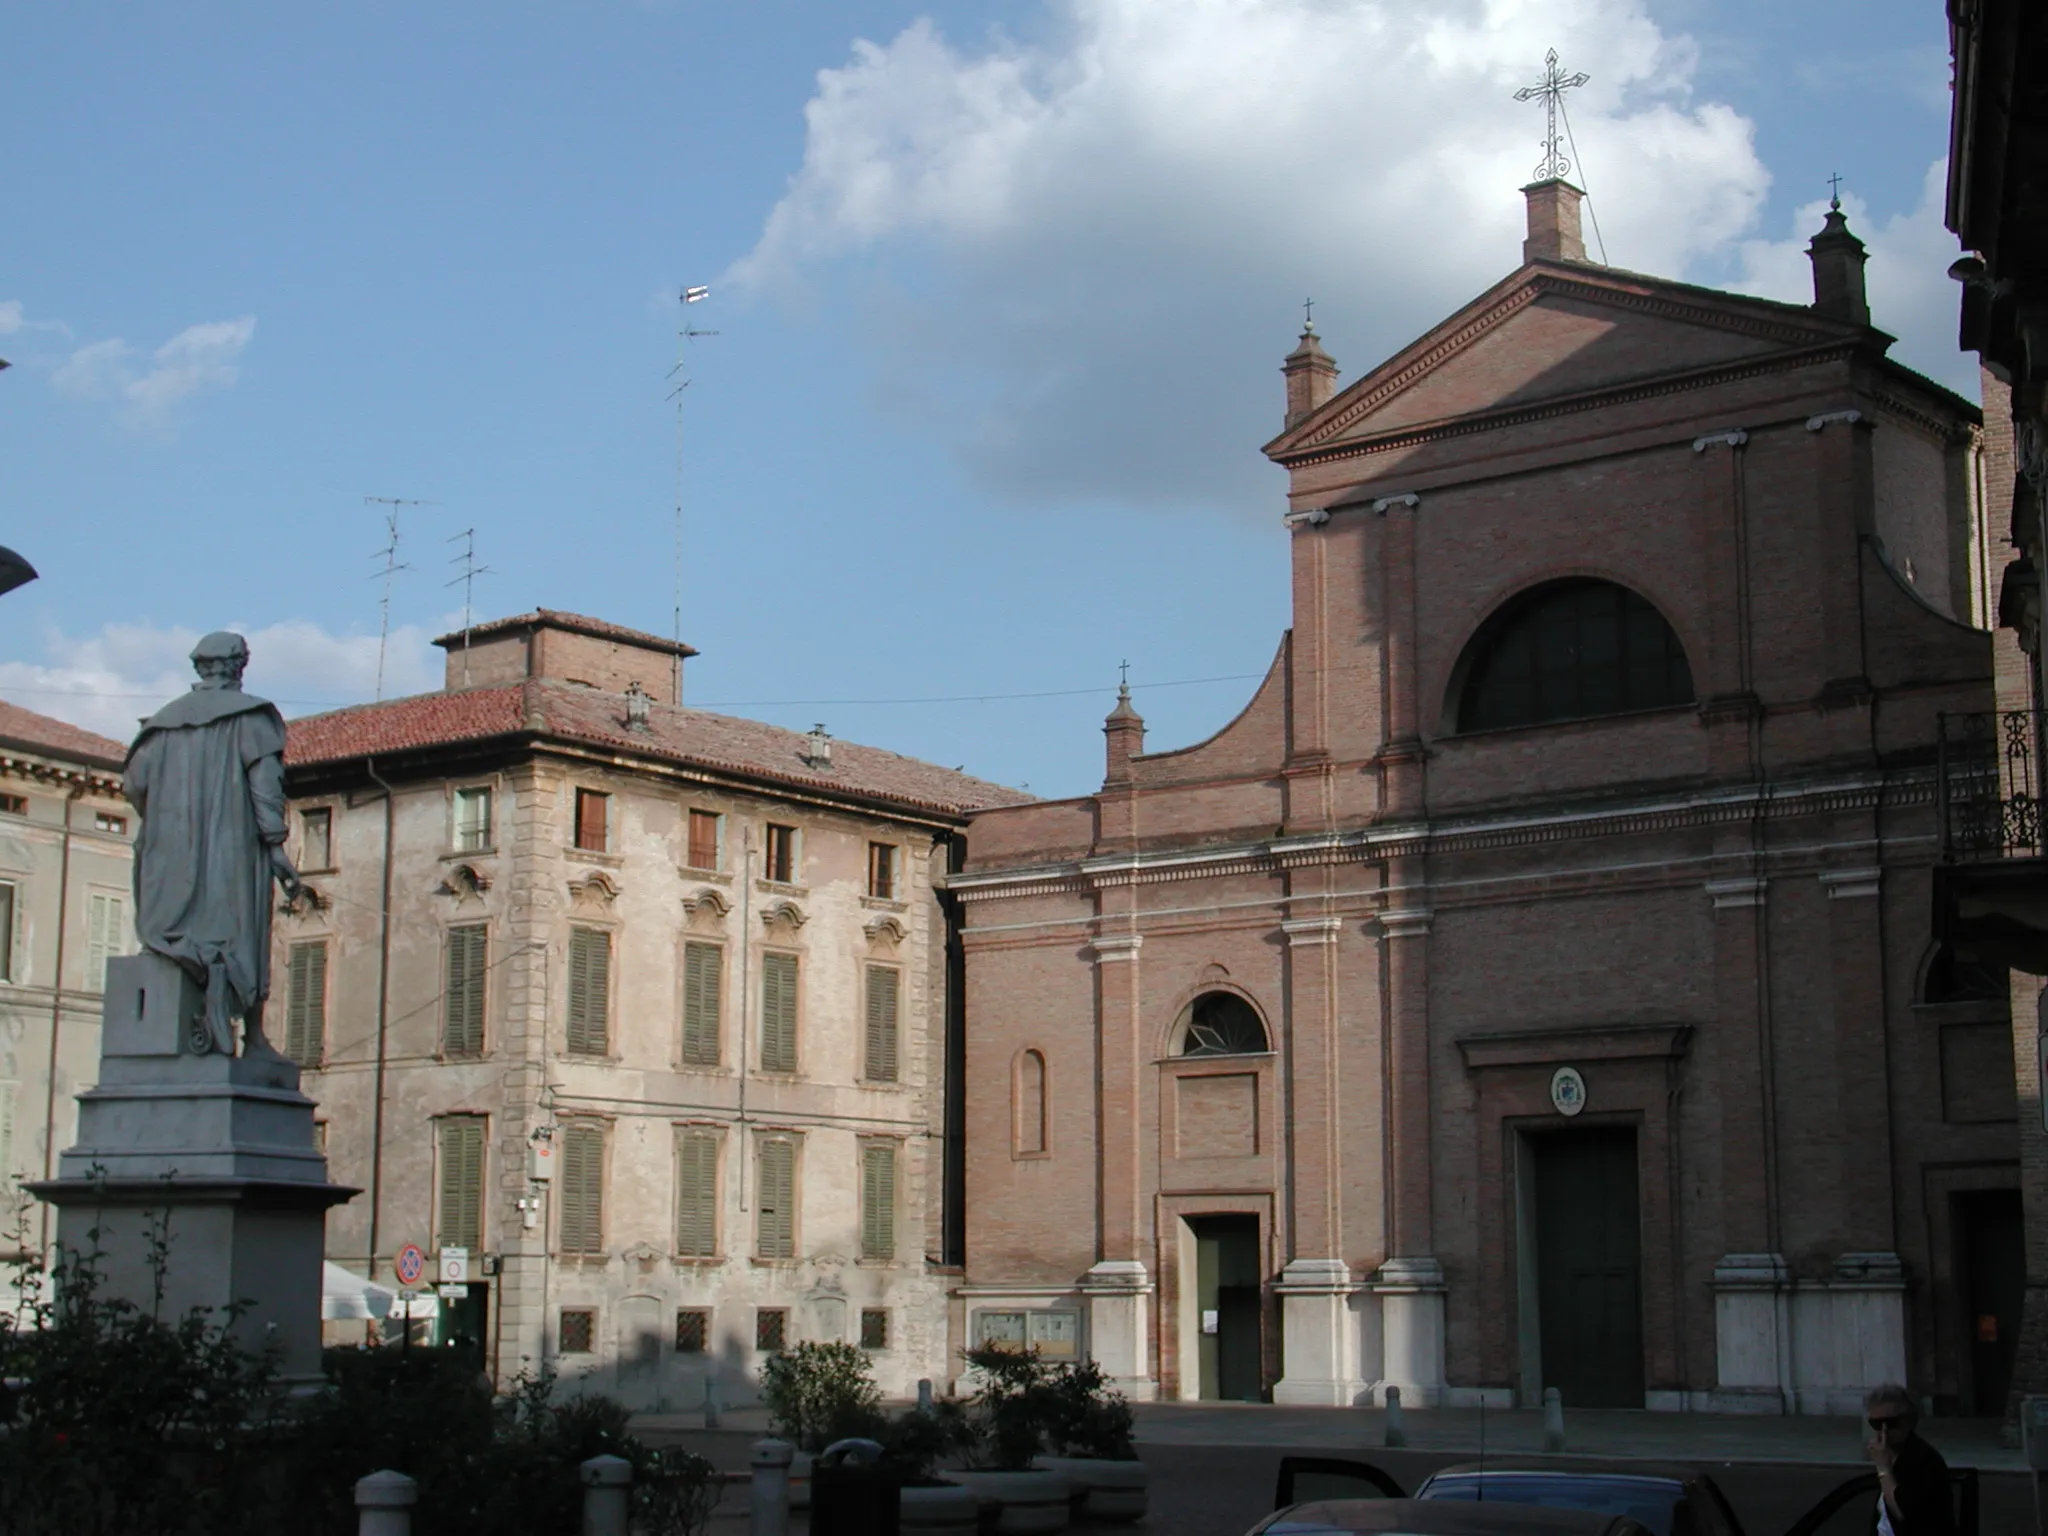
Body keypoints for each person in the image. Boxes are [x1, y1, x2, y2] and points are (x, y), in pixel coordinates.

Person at [125, 631, 302, 1057]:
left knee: (171, 929)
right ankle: (254, 1037)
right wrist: (276, 846)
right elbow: (265, 788)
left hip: (168, 851)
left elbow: (134, 786)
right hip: (232, 849)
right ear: (239, 666)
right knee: (242, 930)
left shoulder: (161, 724)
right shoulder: (252, 718)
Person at [1864, 1383, 1956, 1535]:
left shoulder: (1925, 1461)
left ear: (1908, 1422)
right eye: (1876, 1424)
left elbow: (1904, 1513)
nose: (1883, 1431)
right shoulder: (1891, 1457)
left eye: (1891, 1423)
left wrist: (1884, 1470)